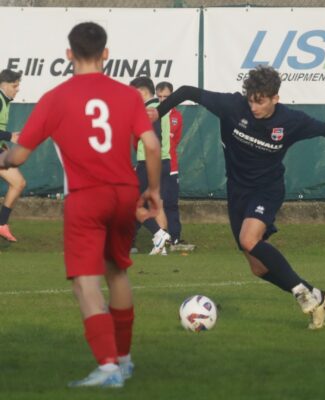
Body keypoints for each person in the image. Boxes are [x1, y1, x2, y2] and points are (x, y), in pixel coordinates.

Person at [149, 65, 325, 330]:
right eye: (251, 100)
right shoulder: (232, 106)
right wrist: (159, 111)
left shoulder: (291, 121)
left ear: (275, 99)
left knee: (249, 239)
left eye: (260, 102)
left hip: (267, 189)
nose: (254, 107)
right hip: (237, 192)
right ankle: (318, 296)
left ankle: (300, 292)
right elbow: (189, 91)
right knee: (257, 268)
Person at [0, 22, 162, 387]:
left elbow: (21, 154)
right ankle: (124, 359)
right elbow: (151, 146)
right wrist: (153, 190)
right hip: (123, 193)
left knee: (85, 283)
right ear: (106, 54)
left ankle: (107, 368)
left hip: (86, 197)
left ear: (69, 54)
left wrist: (5, 160)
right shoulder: (127, 96)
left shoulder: (57, 97)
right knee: (117, 272)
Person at [130, 77, 171, 255]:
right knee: (156, 203)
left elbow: (154, 139)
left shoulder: (149, 110)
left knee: (132, 203)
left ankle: (158, 234)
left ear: (142, 92)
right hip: (163, 161)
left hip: (149, 162)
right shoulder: (162, 108)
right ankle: (161, 244)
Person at [0, 69, 27, 242]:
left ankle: (2, 225)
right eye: (14, 86)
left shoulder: (5, 101)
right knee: (18, 182)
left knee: (18, 183)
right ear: (4, 85)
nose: (17, 89)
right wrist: (10, 137)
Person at [156, 81, 184, 246]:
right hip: (152, 167)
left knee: (171, 203)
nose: (162, 100)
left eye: (166, 97)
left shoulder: (177, 117)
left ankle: (174, 237)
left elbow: (176, 141)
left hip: (171, 167)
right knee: (146, 202)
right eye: (159, 97)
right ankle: (132, 241)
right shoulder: (151, 114)